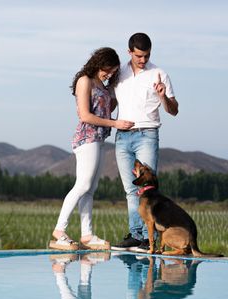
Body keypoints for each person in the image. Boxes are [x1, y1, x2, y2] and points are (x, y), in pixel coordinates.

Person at [49, 47, 135, 251]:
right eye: (108, 70)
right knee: (83, 184)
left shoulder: (102, 85)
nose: (110, 74)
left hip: (99, 138)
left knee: (90, 189)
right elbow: (85, 116)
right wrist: (115, 124)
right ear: (99, 63)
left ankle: (87, 234)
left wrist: (114, 93)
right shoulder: (84, 81)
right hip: (86, 137)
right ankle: (59, 231)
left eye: (113, 71)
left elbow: (105, 108)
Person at [111, 33, 179, 253]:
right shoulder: (118, 73)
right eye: (139, 56)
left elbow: (174, 110)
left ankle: (147, 240)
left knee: (147, 189)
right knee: (131, 190)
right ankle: (136, 235)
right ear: (129, 51)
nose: (143, 60)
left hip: (147, 134)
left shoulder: (159, 73)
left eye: (147, 55)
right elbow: (111, 103)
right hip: (122, 136)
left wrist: (162, 97)